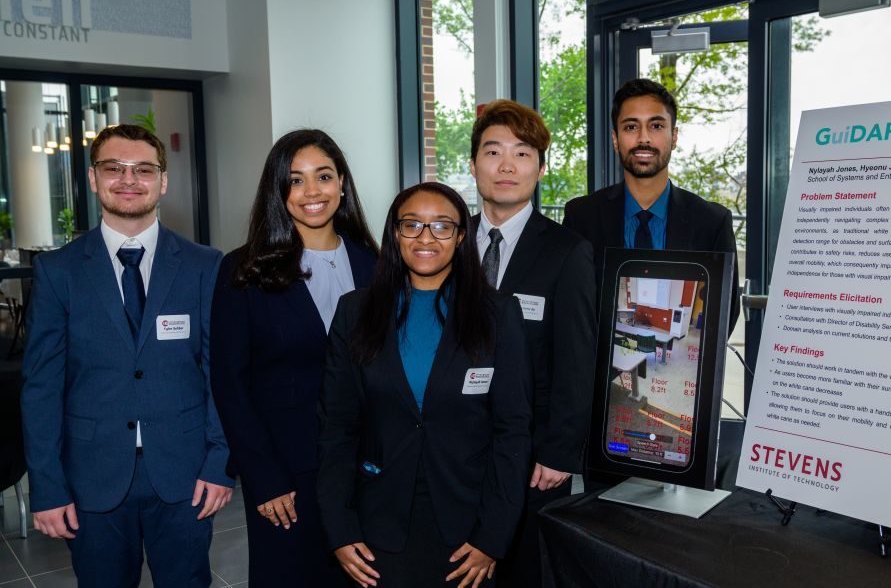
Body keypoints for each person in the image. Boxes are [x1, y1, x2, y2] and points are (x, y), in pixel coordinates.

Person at [21, 124, 233, 587]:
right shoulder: (58, 271)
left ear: (163, 180)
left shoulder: (205, 265)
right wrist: (47, 486)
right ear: (93, 178)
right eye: (114, 168)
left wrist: (220, 463)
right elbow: (41, 388)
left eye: (143, 169)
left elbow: (222, 373)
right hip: (90, 478)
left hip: (185, 476)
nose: (128, 179)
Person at [317, 182, 532, 588]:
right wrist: (340, 529)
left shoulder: (497, 313)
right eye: (412, 225)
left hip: (467, 526)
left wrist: (493, 536)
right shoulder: (354, 312)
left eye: (441, 227)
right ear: (395, 234)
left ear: (461, 236)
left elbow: (513, 432)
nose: (426, 238)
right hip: (377, 523)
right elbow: (336, 429)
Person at [210, 129, 379, 587]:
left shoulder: (375, 265)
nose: (312, 192)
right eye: (296, 180)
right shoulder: (244, 268)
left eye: (323, 176)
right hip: (284, 472)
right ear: (278, 190)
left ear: (342, 182)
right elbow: (230, 383)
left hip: (364, 469)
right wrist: (263, 477)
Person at [468, 99, 596, 587]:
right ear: (474, 162)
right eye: (492, 151)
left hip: (531, 455)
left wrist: (560, 450)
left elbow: (576, 360)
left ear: (541, 168)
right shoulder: (448, 244)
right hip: (452, 445)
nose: (506, 165)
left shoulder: (567, 252)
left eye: (522, 154)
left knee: (522, 571)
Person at [563, 78, 740, 331]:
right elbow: (571, 311)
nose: (644, 138)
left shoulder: (712, 222)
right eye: (631, 127)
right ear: (615, 139)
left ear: (674, 136)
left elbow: (723, 316)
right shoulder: (581, 217)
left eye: (656, 126)